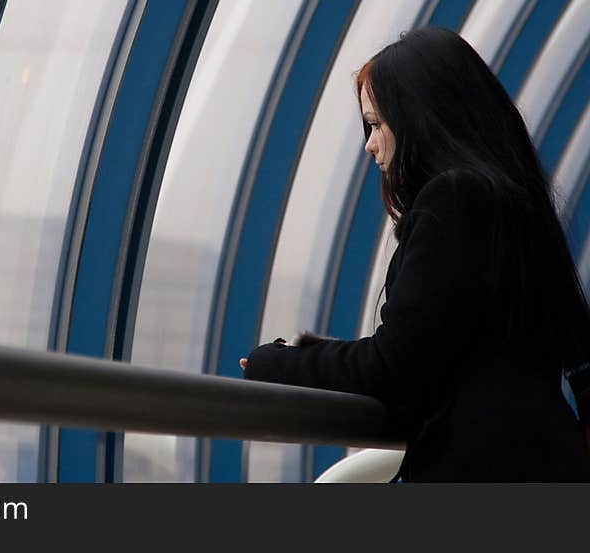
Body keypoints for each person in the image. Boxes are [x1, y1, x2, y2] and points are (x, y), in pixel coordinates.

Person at [240, 26, 590, 482]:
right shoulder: (513, 202)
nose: (369, 144)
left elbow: (394, 370)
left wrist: (277, 363)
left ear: (422, 118)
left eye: (377, 124)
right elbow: (445, 349)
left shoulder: (454, 199)